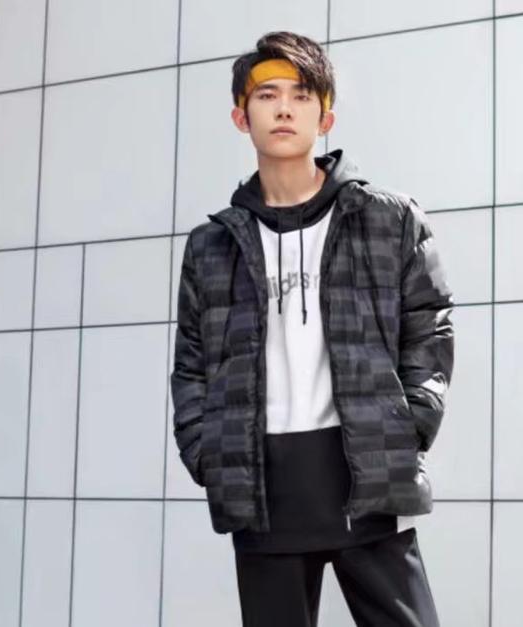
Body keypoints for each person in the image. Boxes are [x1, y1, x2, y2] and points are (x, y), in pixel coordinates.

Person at [171, 30, 455, 627]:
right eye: (267, 94)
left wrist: (408, 427)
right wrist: (207, 454)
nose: (284, 108)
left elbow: (429, 329)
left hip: (368, 476)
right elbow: (191, 365)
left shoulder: (388, 219)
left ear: (325, 116)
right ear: (240, 116)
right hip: (261, 488)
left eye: (301, 95)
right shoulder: (211, 245)